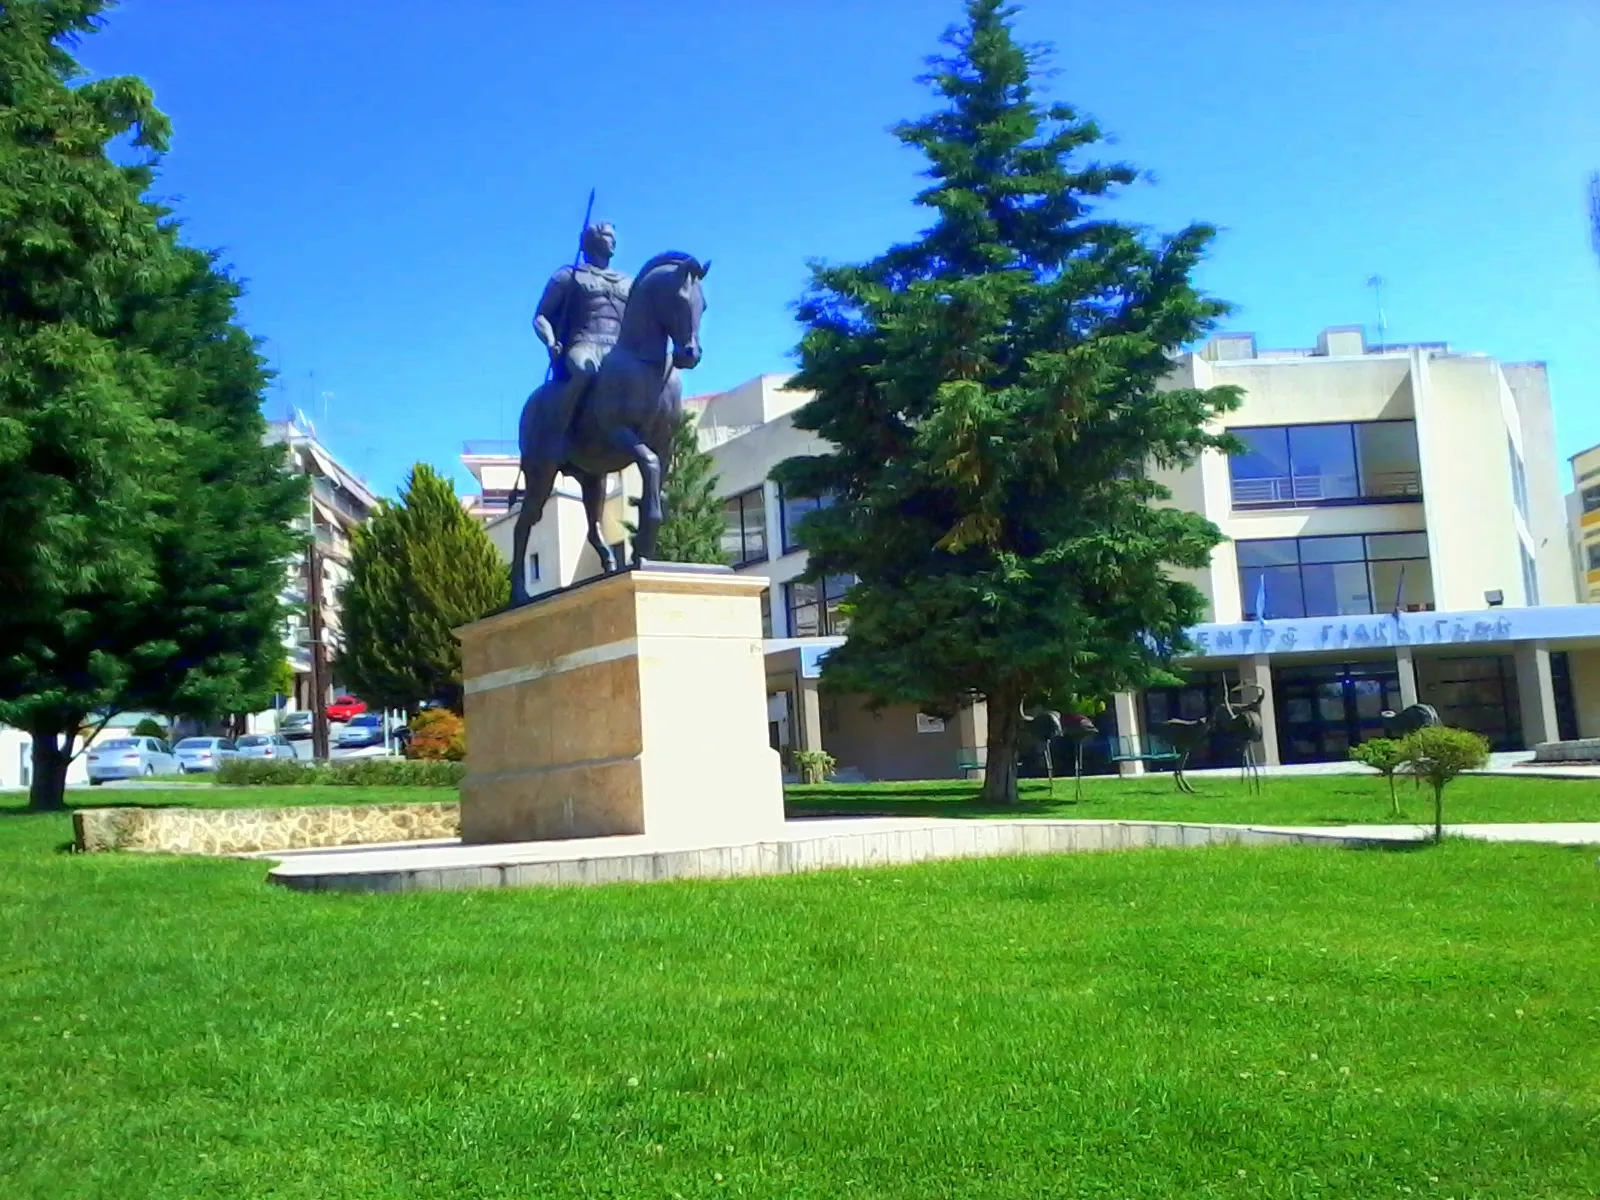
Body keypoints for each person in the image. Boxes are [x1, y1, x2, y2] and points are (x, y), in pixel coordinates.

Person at [532, 221, 632, 455]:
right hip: (584, 344)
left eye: (613, 236)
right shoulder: (569, 276)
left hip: (619, 350)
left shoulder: (628, 282)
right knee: (585, 369)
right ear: (593, 240)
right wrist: (549, 340)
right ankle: (560, 426)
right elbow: (541, 316)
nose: (613, 240)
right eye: (608, 236)